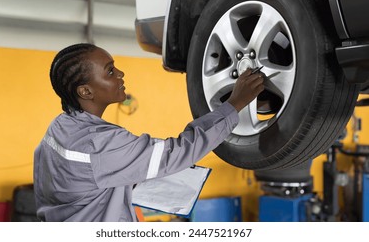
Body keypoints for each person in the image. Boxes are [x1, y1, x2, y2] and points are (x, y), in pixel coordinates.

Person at [33, 43, 264, 222]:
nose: (121, 74)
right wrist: (235, 104)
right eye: (110, 71)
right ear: (86, 91)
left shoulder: (58, 128)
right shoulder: (101, 144)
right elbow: (178, 151)